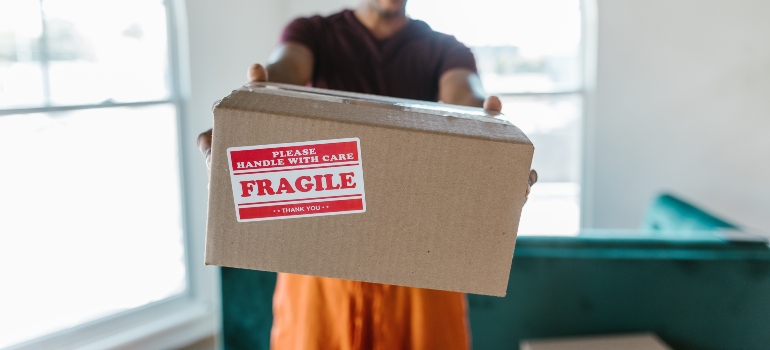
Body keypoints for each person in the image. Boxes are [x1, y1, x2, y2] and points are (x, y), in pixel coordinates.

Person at [198, 0, 538, 348]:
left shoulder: (446, 49)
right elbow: (285, 70)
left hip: (421, 264)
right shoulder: (313, 33)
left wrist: (495, 145)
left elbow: (464, 96)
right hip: (320, 258)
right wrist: (251, 105)